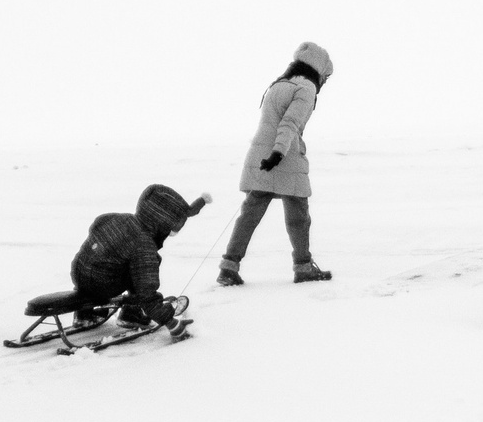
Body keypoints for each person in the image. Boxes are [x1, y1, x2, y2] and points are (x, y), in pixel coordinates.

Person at [220, 42, 335, 285]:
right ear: (318, 70)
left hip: (262, 156)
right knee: (299, 215)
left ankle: (228, 266)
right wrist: (278, 154)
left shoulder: (280, 84)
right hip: (284, 156)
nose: (324, 82)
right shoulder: (306, 88)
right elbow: (289, 123)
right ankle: (303, 267)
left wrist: (271, 155)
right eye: (325, 76)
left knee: (250, 213)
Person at [71, 184, 208, 337]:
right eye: (170, 231)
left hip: (79, 275)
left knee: (106, 259)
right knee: (144, 266)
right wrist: (171, 322)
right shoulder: (143, 245)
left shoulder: (112, 217)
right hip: (103, 285)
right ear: (161, 225)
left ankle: (84, 313)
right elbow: (147, 293)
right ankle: (132, 314)